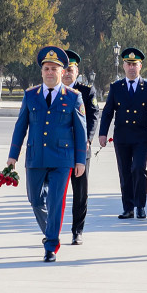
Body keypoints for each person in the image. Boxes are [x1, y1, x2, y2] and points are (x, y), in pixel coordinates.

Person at [8, 46, 87, 262]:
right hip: (36, 157)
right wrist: (13, 156)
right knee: (35, 200)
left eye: (54, 68)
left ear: (63, 71)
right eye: (46, 69)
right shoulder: (30, 95)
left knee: (56, 201)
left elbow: (81, 131)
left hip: (62, 159)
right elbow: (20, 127)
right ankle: (50, 230)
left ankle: (51, 244)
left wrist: (80, 160)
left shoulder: (73, 97)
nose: (50, 72)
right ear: (41, 72)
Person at [99, 48, 147, 219]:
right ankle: (127, 208)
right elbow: (107, 112)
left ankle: (140, 205)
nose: (132, 67)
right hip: (122, 136)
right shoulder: (116, 87)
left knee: (139, 169)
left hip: (142, 136)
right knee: (125, 172)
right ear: (124, 66)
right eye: (129, 64)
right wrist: (103, 134)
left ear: (140, 66)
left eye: (135, 64)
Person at [62, 50, 100, 245]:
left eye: (71, 69)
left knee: (80, 192)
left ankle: (78, 230)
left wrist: (89, 139)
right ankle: (52, 229)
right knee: (55, 192)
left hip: (79, 148)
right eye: (65, 69)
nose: (67, 73)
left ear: (77, 71)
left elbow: (93, 116)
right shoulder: (52, 91)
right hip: (58, 149)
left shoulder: (86, 91)